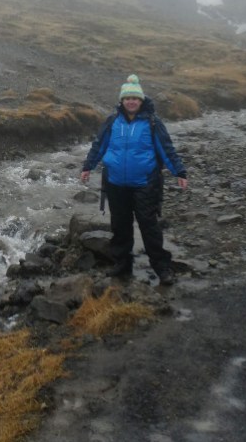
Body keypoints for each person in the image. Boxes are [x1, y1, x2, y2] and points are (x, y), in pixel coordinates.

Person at [80, 74, 188, 285]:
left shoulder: (153, 122)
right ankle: (122, 264)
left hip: (145, 183)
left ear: (141, 101)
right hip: (115, 183)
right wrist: (87, 167)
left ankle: (162, 267)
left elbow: (166, 150)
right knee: (120, 226)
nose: (131, 101)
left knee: (149, 226)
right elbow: (98, 146)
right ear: (122, 100)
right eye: (127, 98)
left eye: (135, 98)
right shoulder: (112, 122)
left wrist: (180, 172)